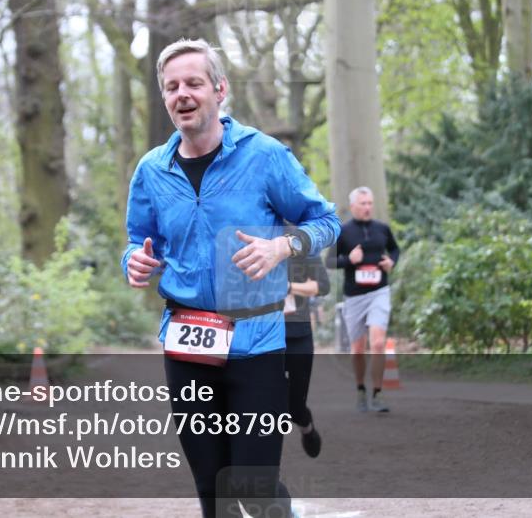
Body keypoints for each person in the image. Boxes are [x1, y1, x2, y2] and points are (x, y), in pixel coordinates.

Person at [122, 39, 340, 518]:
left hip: (256, 341)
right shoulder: (152, 171)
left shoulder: (263, 156)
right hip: (187, 343)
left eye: (194, 83)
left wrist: (282, 245)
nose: (183, 93)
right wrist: (134, 261)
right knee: (212, 490)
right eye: (172, 86)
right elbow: (138, 240)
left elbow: (326, 221)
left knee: (254, 488)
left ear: (219, 90)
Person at [331, 186, 400, 413]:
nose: (368, 207)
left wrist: (391, 262)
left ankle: (377, 394)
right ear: (353, 207)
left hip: (379, 292)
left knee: (378, 343)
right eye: (363, 203)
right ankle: (361, 389)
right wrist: (349, 259)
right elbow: (329, 261)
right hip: (354, 296)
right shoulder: (344, 231)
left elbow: (395, 250)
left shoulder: (382, 229)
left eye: (370, 203)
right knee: (358, 348)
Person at [283, 224, 331, 458]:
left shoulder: (301, 238)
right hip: (260, 335)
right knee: (265, 403)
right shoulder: (248, 235)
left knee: (294, 405)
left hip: (297, 333)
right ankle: (266, 466)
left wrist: (289, 288)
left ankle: (306, 426)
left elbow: (322, 285)